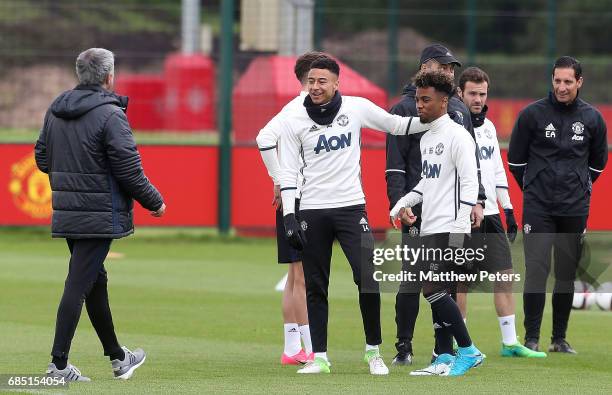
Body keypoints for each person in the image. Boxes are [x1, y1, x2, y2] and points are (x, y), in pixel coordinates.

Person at [278, 57, 430, 375]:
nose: (316, 86)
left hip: (351, 208)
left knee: (368, 279)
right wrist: (290, 216)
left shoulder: (356, 108)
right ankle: (319, 357)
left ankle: (373, 352)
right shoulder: (294, 119)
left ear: (337, 84)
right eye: (311, 81)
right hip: (312, 211)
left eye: (323, 81)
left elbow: (397, 125)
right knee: (317, 286)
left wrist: (434, 120)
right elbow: (289, 173)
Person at [34, 48, 166, 381]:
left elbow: (42, 158)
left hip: (69, 211)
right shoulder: (110, 114)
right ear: (109, 77)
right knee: (79, 283)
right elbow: (129, 169)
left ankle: (119, 357)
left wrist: (71, 176)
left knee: (94, 282)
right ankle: (58, 365)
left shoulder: (56, 109)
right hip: (98, 214)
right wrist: (155, 201)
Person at [385, 43, 486, 365]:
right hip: (422, 218)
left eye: (451, 68)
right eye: (443, 67)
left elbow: (470, 175)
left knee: (436, 285)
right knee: (419, 283)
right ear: (426, 68)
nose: (449, 72)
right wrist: (400, 202)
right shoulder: (410, 116)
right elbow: (411, 172)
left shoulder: (456, 121)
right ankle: (413, 348)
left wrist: (473, 206)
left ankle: (455, 351)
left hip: (449, 220)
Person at [508, 56, 607, 354]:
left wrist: (578, 186)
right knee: (537, 270)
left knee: (566, 273)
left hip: (574, 208)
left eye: (567, 81)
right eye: (557, 81)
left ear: (579, 82)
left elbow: (598, 163)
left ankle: (559, 339)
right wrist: (535, 186)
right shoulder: (531, 115)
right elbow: (515, 161)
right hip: (538, 207)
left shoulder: (592, 118)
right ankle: (532, 338)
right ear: (551, 80)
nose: (561, 87)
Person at [456, 66, 546, 358]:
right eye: (472, 93)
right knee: (460, 281)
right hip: (464, 212)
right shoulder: (453, 128)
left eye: (482, 94)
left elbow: (496, 169)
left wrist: (507, 209)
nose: (478, 99)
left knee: (504, 276)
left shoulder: (490, 127)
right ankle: (460, 343)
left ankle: (509, 342)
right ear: (460, 93)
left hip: (492, 212)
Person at [256, 51, 329, 365]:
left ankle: (291, 348)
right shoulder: (300, 108)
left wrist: (278, 178)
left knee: (293, 275)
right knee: (303, 277)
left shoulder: (296, 107)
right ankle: (311, 348)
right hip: (299, 198)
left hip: (293, 196)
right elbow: (263, 138)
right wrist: (278, 177)